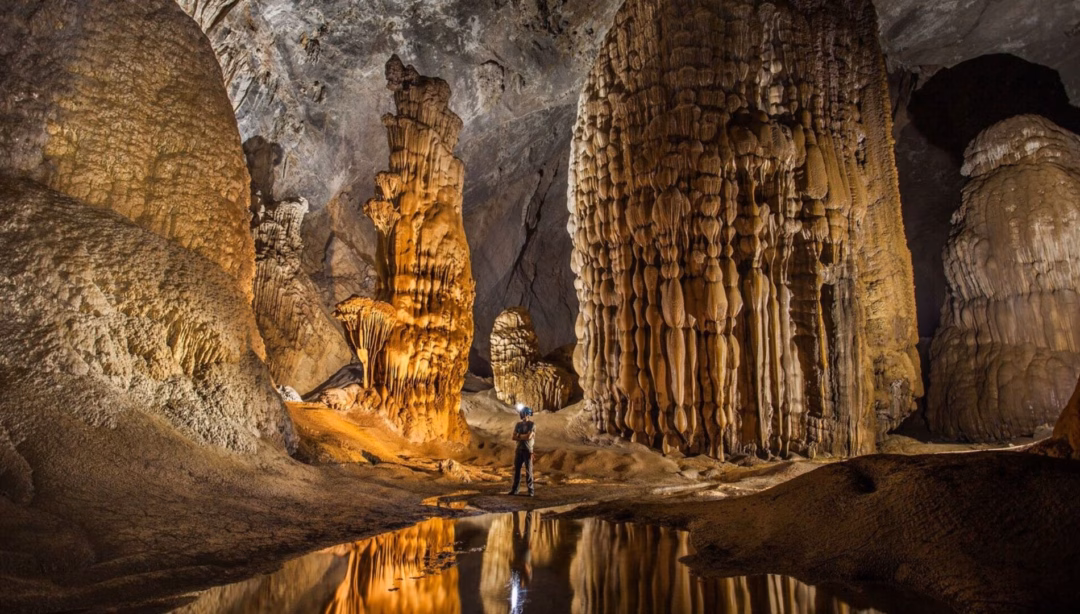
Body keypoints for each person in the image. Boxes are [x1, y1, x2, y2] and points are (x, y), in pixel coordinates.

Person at [507, 403, 536, 496]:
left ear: (527, 414)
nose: (521, 414)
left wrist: (518, 436)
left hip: (528, 451)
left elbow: (528, 437)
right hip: (519, 450)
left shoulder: (532, 424)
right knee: (517, 471)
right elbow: (513, 437)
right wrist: (523, 436)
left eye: (522, 413)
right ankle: (515, 490)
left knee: (529, 471)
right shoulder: (518, 424)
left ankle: (531, 491)